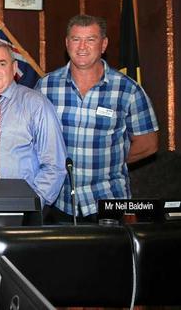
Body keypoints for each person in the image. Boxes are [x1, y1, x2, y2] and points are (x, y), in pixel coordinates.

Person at [36, 14, 159, 222]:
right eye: (76, 39)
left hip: (109, 200)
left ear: (103, 44)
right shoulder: (46, 86)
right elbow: (31, 139)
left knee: (112, 256)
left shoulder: (127, 89)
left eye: (91, 39)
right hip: (58, 203)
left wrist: (110, 162)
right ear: (67, 44)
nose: (82, 47)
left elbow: (148, 144)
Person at [0, 42, 67, 206]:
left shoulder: (36, 104)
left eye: (1, 64)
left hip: (23, 210)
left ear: (14, 69)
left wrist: (32, 205)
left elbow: (54, 165)